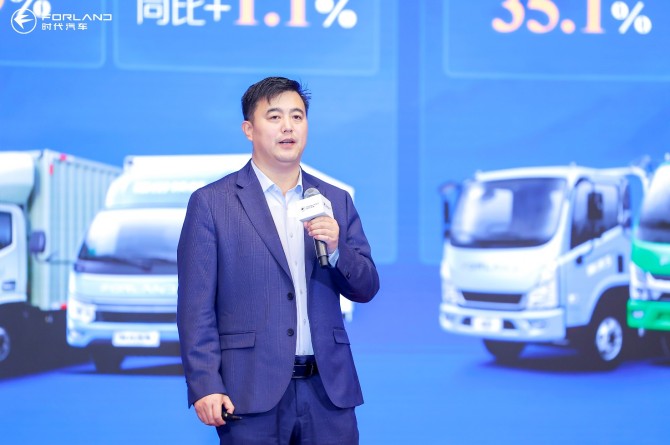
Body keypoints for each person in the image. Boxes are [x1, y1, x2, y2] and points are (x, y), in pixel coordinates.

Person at [177, 76, 380, 445]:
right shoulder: (212, 203)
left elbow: (366, 287)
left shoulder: (335, 199)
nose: (288, 127)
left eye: (297, 117)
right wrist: (205, 383)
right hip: (249, 393)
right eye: (274, 117)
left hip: (329, 393)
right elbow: (196, 306)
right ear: (249, 130)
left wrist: (337, 249)